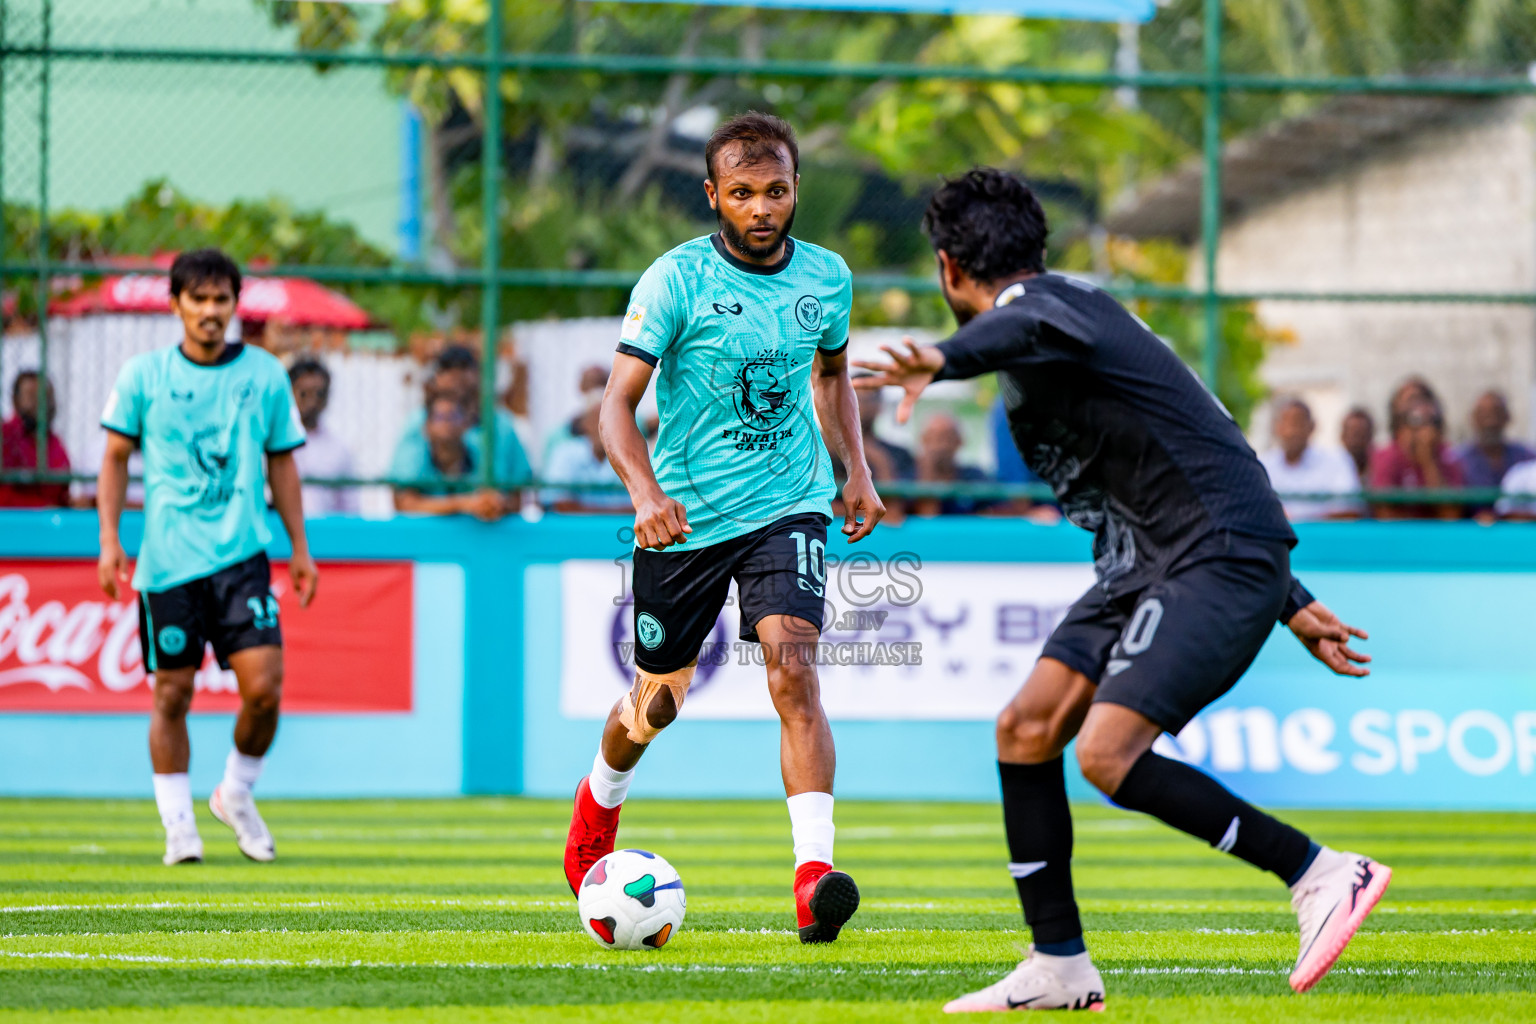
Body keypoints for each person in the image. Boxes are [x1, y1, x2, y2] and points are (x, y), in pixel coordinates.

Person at [855, 168, 1386, 1010]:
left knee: (1105, 752)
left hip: (1208, 556)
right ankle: (1059, 963)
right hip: (1155, 560)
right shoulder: (1066, 320)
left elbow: (1021, 320)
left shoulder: (1045, 306)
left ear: (950, 269)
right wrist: (1289, 596)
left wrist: (945, 357)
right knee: (1026, 727)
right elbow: (1189, 441)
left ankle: (1320, 872)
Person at [563, 111, 884, 944]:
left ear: (795, 190)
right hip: (684, 521)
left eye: (775, 190)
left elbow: (834, 375)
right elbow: (616, 407)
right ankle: (599, 801)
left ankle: (814, 878)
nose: (761, 207)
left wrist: (856, 469)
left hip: (790, 504)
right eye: (741, 193)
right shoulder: (673, 281)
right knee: (656, 704)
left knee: (793, 670)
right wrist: (643, 493)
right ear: (714, 195)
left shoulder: (828, 278)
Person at [96, 249, 318, 867]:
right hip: (167, 563)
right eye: (199, 299)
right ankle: (178, 828)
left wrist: (300, 548)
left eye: (222, 299)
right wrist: (109, 540)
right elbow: (114, 459)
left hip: (243, 556)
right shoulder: (143, 376)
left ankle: (235, 792)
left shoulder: (266, 375)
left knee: (265, 691)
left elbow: (283, 462)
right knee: (171, 694)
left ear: (234, 305)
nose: (211, 311)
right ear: (176, 306)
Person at [389, 344, 532, 515]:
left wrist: (493, 505)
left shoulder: (501, 425)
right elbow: (404, 500)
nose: (457, 379)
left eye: (464, 370)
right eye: (449, 371)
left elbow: (517, 495)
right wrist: (464, 504)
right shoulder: (417, 423)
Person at [391, 391, 509, 520]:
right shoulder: (414, 457)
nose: (447, 423)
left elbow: (504, 499)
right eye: (440, 417)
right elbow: (406, 505)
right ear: (427, 427)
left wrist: (492, 505)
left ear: (466, 424)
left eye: (454, 416)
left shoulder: (480, 455)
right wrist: (463, 504)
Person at [1256, 397, 1361, 521]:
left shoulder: (1337, 460)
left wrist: (1301, 522)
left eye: (1298, 423)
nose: (1292, 431)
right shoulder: (1263, 464)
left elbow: (1349, 510)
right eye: (1286, 423)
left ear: (1312, 426)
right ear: (1277, 427)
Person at [1368, 397, 1466, 520]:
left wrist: (1428, 462)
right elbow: (1384, 514)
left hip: (1438, 535)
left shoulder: (1448, 456)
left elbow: (1451, 515)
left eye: (1433, 423)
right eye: (1417, 423)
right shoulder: (1387, 456)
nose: (1426, 431)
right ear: (1401, 430)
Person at [543, 389, 633, 514]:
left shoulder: (633, 455)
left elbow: (643, 504)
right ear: (584, 423)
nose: (604, 425)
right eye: (597, 418)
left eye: (612, 418)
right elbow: (560, 503)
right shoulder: (565, 453)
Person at [288, 359, 358, 516]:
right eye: (304, 393)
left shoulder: (338, 449)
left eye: (319, 393)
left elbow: (350, 508)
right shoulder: (270, 444)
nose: (312, 401)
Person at [0, 370, 71, 507]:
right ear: (16, 401)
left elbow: (62, 495)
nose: (40, 403)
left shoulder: (56, 444)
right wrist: (41, 506)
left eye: (46, 396)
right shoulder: (5, 437)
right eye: (31, 396)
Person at [912, 411, 993, 516]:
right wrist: (928, 470)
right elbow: (926, 519)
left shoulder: (974, 476)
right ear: (923, 440)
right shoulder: (909, 477)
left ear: (959, 441)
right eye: (932, 438)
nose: (940, 445)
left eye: (947, 437)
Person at [1455, 390, 1534, 490]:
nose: (1491, 422)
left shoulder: (1526, 457)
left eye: (1497, 414)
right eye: (1484, 415)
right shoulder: (1459, 461)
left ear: (1507, 417)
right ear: (1473, 419)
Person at [1339, 406, 1375, 482]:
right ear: (1342, 436)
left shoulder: (1379, 468)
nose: (1357, 440)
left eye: (1362, 434)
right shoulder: (1332, 469)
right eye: (1353, 434)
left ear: (1370, 436)